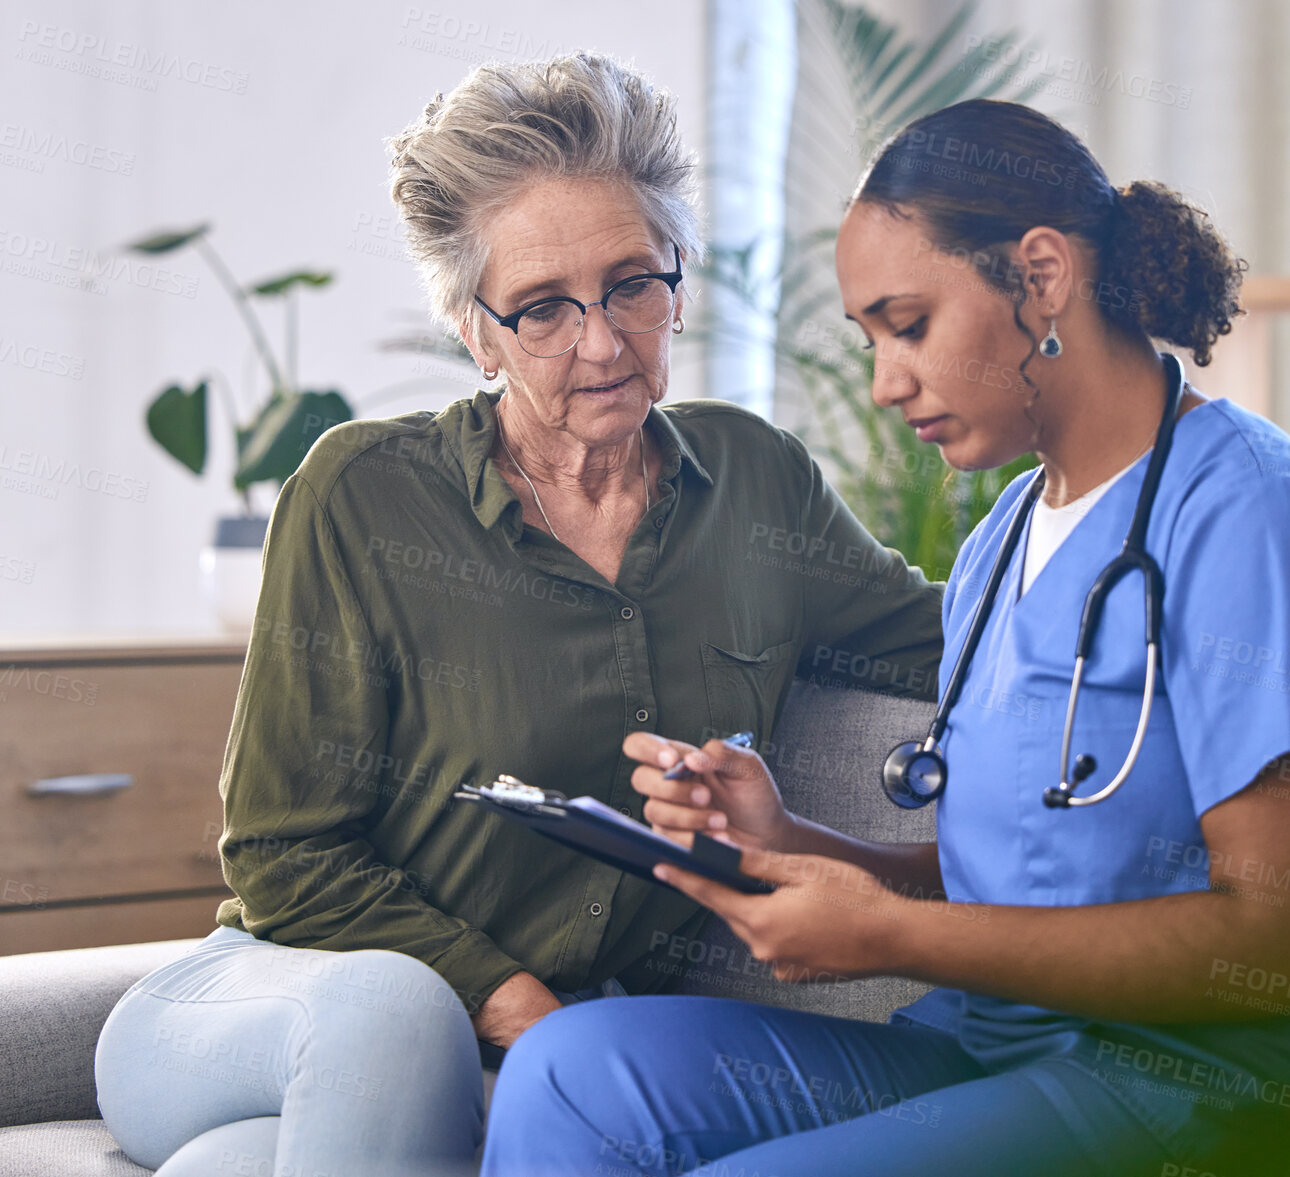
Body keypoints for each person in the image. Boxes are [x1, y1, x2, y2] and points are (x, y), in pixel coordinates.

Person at [479, 98, 1290, 1176]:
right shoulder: (1001, 543)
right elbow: (1036, 870)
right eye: (872, 339)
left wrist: (887, 935)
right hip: (993, 1044)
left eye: (909, 324)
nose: (886, 382)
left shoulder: (1258, 519)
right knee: (569, 1068)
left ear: (1039, 275)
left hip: (1206, 1088)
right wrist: (801, 844)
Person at [91, 54, 944, 1177]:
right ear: (473, 330)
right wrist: (518, 1008)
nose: (600, 340)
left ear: (678, 284)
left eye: (632, 283)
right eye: (542, 307)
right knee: (397, 1015)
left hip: (472, 1077)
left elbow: (967, 637)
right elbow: (285, 858)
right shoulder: (362, 493)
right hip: (262, 1009)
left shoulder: (758, 485)